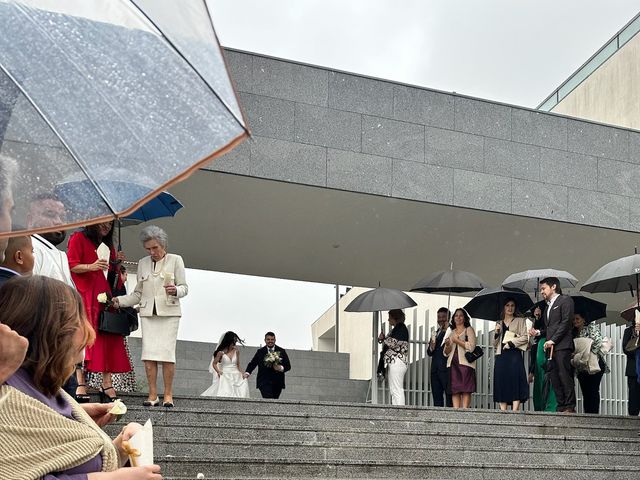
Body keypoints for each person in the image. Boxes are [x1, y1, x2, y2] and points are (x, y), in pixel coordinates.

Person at [0, 275, 162, 480]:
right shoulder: (9, 397)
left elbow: (73, 466)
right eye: (78, 319)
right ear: (53, 329)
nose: (88, 330)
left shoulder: (47, 389)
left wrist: (122, 447)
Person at [112, 225, 188, 408]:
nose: (152, 252)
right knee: (149, 355)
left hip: (169, 313)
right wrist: (119, 301)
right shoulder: (143, 263)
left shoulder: (176, 260)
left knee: (167, 355)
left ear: (163, 245)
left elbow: (185, 287)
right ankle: (152, 394)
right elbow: (138, 294)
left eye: (155, 247)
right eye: (148, 248)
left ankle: (168, 395)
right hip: (147, 314)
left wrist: (175, 290)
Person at [67, 222, 131, 403]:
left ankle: (107, 382)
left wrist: (116, 263)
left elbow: (112, 277)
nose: (106, 226)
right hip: (85, 295)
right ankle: (81, 382)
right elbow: (71, 265)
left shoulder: (108, 246)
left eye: (110, 224)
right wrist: (91, 266)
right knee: (83, 337)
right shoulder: (78, 238)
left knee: (107, 337)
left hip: (104, 296)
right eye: (103, 222)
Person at [540, 277, 576, 413]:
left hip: (563, 346)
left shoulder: (565, 300)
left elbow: (566, 323)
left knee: (564, 375)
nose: (542, 292)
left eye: (543, 288)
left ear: (553, 286)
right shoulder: (547, 306)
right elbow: (549, 328)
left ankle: (570, 406)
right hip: (551, 347)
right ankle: (561, 406)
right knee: (554, 377)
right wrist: (537, 332)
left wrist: (552, 340)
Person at [27, 193, 74, 286]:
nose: (59, 222)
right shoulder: (31, 249)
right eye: (50, 215)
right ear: (30, 219)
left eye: (63, 217)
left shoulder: (52, 250)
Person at [493, 298, 529, 411]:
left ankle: (515, 410)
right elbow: (494, 344)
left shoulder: (520, 320)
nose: (510, 308)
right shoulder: (498, 322)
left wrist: (511, 343)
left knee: (515, 380)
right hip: (501, 355)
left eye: (512, 305)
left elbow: (525, 337)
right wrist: (496, 333)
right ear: (504, 307)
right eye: (507, 305)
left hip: (514, 354)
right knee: (501, 380)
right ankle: (503, 410)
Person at [573, 312, 607, 414]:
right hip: (581, 365)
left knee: (593, 390)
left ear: (583, 319)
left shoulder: (591, 327)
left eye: (577, 319)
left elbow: (598, 342)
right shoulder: (573, 332)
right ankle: (587, 414)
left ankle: (594, 415)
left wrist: (587, 350)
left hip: (594, 362)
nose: (575, 321)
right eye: (573, 319)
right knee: (585, 392)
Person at [443, 308, 476, 409]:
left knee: (466, 389)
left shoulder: (469, 330)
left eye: (461, 315)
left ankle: (465, 410)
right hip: (453, 364)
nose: (458, 317)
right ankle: (456, 411)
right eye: (456, 315)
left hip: (465, 364)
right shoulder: (451, 332)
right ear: (453, 318)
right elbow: (445, 353)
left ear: (465, 318)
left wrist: (457, 341)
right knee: (455, 390)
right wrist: (448, 344)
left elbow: (471, 347)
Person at [201, 331, 250, 398]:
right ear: (229, 341)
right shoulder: (220, 353)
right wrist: (218, 371)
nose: (235, 343)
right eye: (233, 341)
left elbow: (238, 365)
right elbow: (214, 363)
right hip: (225, 374)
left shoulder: (236, 351)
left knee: (240, 392)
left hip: (236, 375)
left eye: (235, 342)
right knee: (225, 392)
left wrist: (242, 373)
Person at [244, 332, 291, 399]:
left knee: (274, 400)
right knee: (268, 398)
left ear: (275, 340)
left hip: (277, 382)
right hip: (263, 382)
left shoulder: (281, 351)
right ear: (265, 340)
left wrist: (280, 368)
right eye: (268, 339)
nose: (270, 341)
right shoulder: (260, 351)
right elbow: (253, 363)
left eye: (272, 339)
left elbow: (288, 366)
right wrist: (247, 372)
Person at [528, 304, 557, 412]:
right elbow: (539, 331)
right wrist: (537, 317)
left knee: (550, 375)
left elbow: (553, 328)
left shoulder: (559, 308)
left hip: (552, 344)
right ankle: (540, 406)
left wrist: (539, 332)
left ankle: (551, 406)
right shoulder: (543, 309)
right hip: (541, 345)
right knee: (540, 377)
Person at [377, 309, 409, 405]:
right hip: (395, 362)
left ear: (395, 318)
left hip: (397, 361)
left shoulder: (401, 328)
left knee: (397, 389)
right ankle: (396, 410)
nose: (388, 320)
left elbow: (395, 344)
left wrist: (384, 339)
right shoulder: (397, 329)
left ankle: (399, 413)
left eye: (390, 317)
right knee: (394, 390)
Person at [427, 307, 453, 407]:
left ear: (448, 318)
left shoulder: (452, 331)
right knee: (437, 399)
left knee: (449, 397)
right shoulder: (435, 332)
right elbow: (429, 353)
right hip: (435, 370)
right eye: (439, 317)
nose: (441, 319)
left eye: (443, 317)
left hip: (447, 369)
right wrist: (431, 348)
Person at [623, 317, 640, 416]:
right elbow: (626, 349)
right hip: (633, 368)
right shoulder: (629, 331)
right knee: (633, 395)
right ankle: (633, 417)